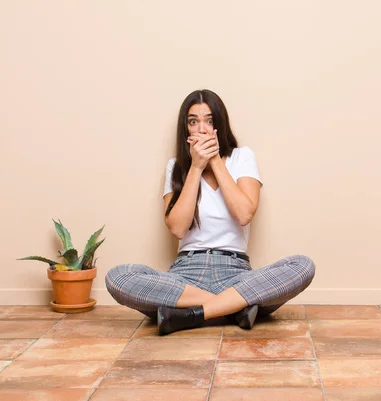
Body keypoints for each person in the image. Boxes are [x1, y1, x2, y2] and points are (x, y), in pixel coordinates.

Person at [105, 89, 315, 335]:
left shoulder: (242, 157)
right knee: (118, 276)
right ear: (186, 130)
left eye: (209, 120)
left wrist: (214, 160)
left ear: (220, 125)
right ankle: (233, 308)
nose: (202, 129)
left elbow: (244, 214)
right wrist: (196, 167)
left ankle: (192, 315)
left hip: (236, 273)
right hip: (185, 277)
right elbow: (177, 228)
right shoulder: (176, 167)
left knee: (302, 266)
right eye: (193, 121)